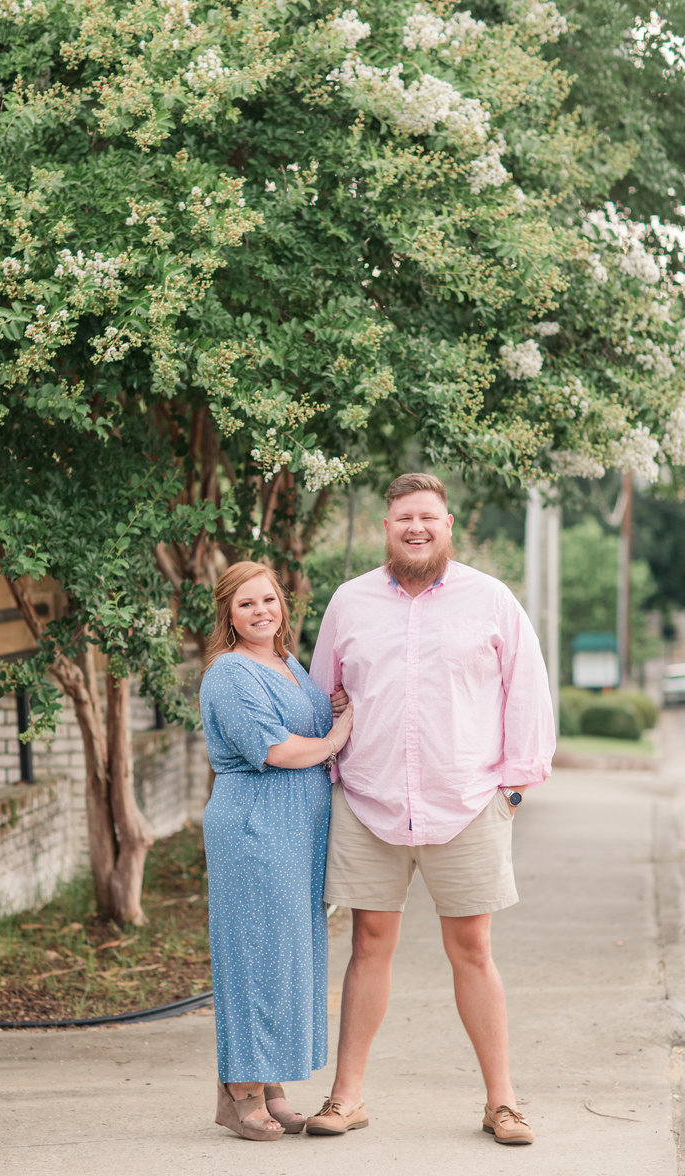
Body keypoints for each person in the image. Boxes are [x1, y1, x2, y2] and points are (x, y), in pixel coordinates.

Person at [305, 472, 556, 1146]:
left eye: (428, 518)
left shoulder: (491, 600)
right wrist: (331, 764)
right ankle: (346, 1096)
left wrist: (514, 784)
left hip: (467, 801)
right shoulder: (350, 603)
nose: (416, 528)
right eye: (403, 519)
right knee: (369, 945)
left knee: (473, 949)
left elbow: (526, 689)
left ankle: (501, 1103)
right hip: (369, 801)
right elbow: (318, 692)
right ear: (386, 529)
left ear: (450, 525)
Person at [200, 560, 353, 1142]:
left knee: (291, 954)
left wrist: (332, 711)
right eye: (247, 605)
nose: (262, 611)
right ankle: (240, 1091)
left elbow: (309, 721)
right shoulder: (230, 674)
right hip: (255, 826)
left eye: (269, 600)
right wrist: (337, 736)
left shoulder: (287, 662)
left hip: (299, 829)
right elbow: (276, 750)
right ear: (228, 615)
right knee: (254, 955)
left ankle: (273, 1085)